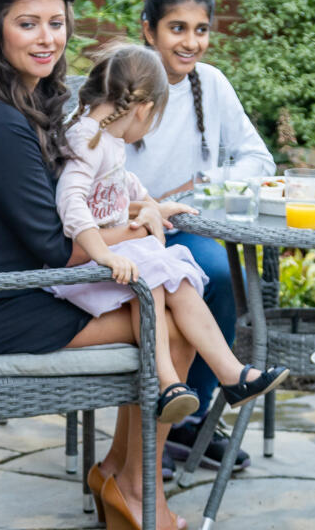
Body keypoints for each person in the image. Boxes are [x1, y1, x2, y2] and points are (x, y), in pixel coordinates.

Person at [0, 0, 249, 530]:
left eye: (56, 23)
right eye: (28, 23)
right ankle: (137, 490)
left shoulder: (11, 100)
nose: (47, 39)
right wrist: (135, 224)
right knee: (171, 329)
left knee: (166, 305)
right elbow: (54, 247)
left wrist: (132, 218)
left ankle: (122, 474)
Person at [51, 43, 288, 429]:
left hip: (118, 262)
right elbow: (72, 202)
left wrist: (152, 207)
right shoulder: (84, 140)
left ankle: (232, 374)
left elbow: (120, 183)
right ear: (143, 108)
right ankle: (166, 383)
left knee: (178, 280)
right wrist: (105, 254)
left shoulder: (104, 138)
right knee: (157, 276)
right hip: (86, 271)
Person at [123, 0, 274, 471]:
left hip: (188, 224)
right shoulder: (125, 82)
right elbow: (95, 166)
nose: (191, 41)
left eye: (201, 29)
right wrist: (146, 205)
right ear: (149, 30)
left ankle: (194, 418)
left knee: (220, 272)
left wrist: (204, 187)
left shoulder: (211, 84)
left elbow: (258, 159)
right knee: (189, 278)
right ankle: (163, 419)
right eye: (177, 28)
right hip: (131, 232)